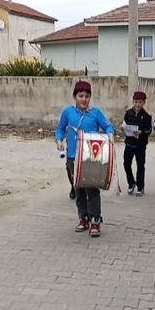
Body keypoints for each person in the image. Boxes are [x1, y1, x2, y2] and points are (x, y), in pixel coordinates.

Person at [55, 80, 115, 237]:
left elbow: (109, 127)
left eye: (87, 96)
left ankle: (95, 220)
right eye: (81, 96)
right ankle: (83, 218)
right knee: (79, 190)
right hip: (73, 158)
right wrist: (59, 140)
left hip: (91, 158)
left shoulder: (95, 113)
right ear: (75, 96)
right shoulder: (68, 112)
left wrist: (109, 135)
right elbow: (60, 129)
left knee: (92, 189)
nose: (84, 99)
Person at [122, 91, 152, 196]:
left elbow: (149, 130)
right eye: (135, 102)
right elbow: (124, 124)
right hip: (129, 143)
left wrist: (142, 132)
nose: (137, 104)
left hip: (140, 145)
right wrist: (123, 128)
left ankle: (140, 187)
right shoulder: (128, 113)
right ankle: (131, 183)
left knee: (140, 166)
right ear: (133, 102)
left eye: (140, 102)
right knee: (126, 164)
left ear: (144, 103)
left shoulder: (147, 116)